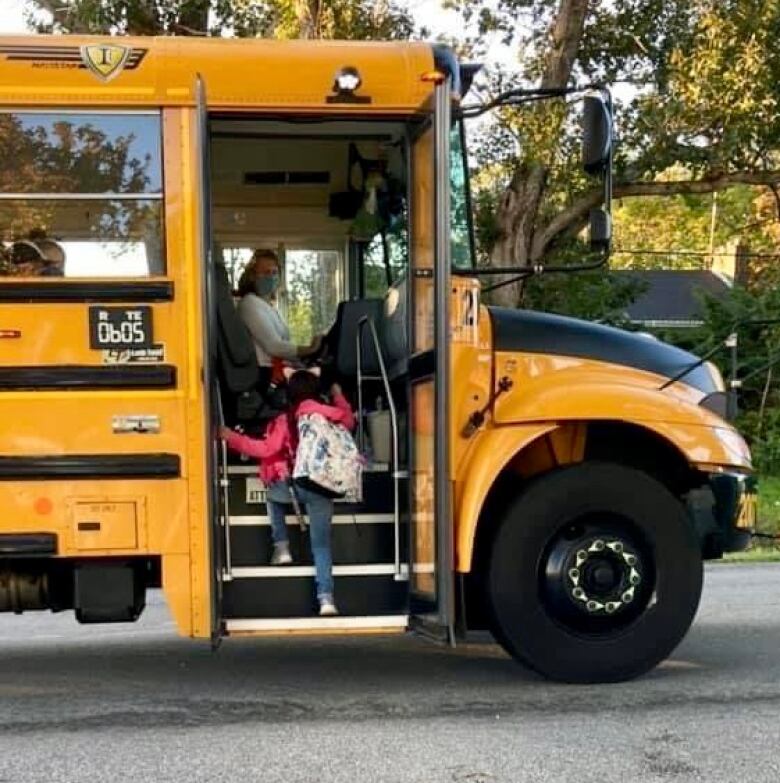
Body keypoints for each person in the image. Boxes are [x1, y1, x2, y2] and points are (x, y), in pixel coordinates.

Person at [219, 369, 355, 617]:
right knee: (321, 546)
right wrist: (338, 395)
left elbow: (266, 449)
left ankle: (282, 547)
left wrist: (232, 438)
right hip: (324, 486)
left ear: (290, 394)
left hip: (297, 486)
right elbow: (350, 421)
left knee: (272, 490)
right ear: (318, 392)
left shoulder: (287, 419)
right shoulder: (334, 415)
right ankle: (326, 600)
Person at [236, 249, 322, 390]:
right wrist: (309, 349)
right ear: (252, 276)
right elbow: (274, 346)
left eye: (274, 272)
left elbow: (283, 346)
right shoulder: (249, 303)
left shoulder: (269, 307)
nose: (271, 277)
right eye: (265, 272)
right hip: (265, 375)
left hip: (277, 370)